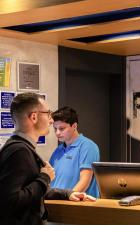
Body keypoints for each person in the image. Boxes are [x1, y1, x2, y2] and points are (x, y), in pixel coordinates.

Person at [0, 92, 95, 225]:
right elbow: (10, 201)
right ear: (34, 117)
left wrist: (67, 194)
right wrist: (44, 177)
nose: (51, 120)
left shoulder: (22, 148)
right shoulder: (19, 151)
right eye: (47, 113)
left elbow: (33, 190)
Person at [50, 106, 100, 198]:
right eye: (55, 129)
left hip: (76, 206)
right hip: (56, 204)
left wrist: (67, 197)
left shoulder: (88, 146)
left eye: (61, 128)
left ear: (74, 126)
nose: (57, 133)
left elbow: (85, 181)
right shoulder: (58, 150)